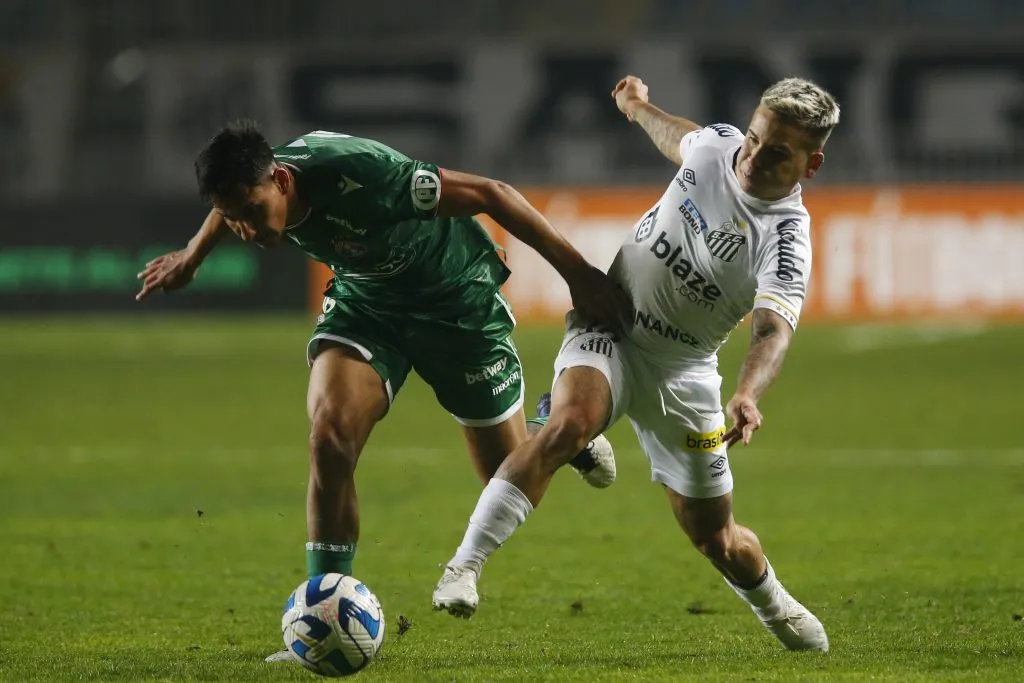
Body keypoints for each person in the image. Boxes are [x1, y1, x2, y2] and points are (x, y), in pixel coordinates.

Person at [135, 121, 630, 654]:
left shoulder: (365, 176)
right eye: (235, 219)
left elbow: (493, 193)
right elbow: (228, 203)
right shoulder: (251, 183)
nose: (248, 230)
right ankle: (323, 611)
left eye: (253, 212)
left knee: (503, 476)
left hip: (456, 303)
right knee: (330, 436)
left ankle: (551, 423)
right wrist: (192, 255)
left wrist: (578, 275)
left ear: (281, 180)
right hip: (367, 305)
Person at [432, 76, 839, 653]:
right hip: (613, 326)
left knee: (716, 538)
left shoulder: (786, 238)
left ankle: (774, 604)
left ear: (810, 165)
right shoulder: (719, 148)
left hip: (685, 374)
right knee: (567, 426)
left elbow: (772, 329)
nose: (752, 157)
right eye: (753, 138)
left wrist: (747, 393)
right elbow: (681, 137)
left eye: (776, 153)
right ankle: (464, 566)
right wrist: (637, 107)